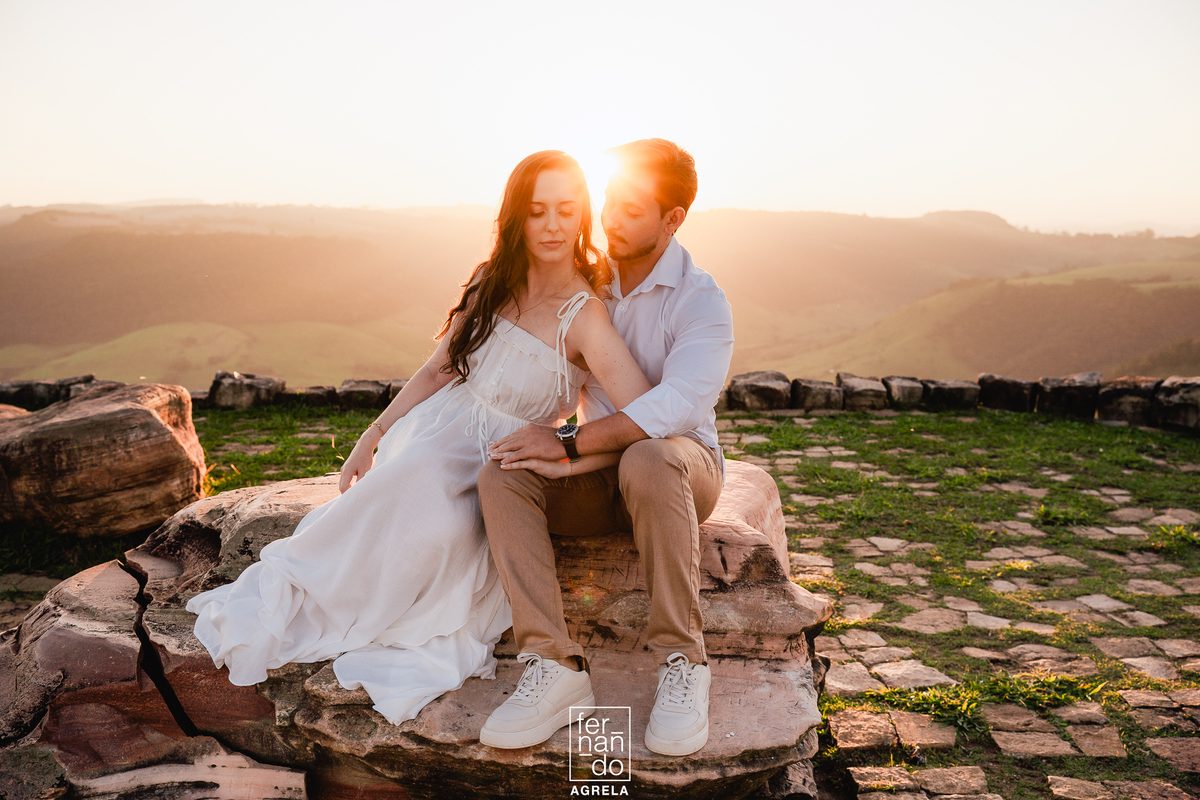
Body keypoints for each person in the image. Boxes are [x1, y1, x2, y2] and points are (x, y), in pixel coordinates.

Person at [186, 150, 653, 726]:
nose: (553, 225)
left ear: (582, 214)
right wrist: (372, 435)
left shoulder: (584, 315)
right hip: (435, 434)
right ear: (518, 218)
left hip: (500, 463)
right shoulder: (490, 281)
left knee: (440, 536)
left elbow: (644, 413)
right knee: (408, 482)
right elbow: (437, 370)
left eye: (565, 209)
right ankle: (314, 592)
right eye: (537, 212)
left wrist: (565, 445)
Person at [478, 139, 735, 756]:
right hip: (598, 473)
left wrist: (566, 441)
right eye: (609, 203)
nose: (611, 220)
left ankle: (683, 661)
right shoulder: (586, 282)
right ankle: (554, 666)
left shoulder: (701, 301)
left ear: (673, 219)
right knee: (502, 474)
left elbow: (671, 411)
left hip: (680, 468)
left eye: (632, 210)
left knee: (649, 455)